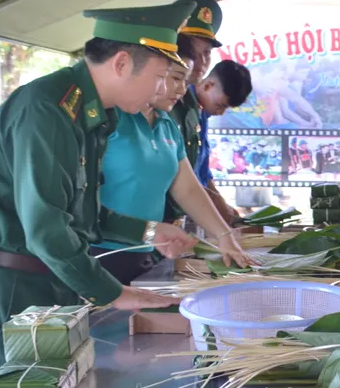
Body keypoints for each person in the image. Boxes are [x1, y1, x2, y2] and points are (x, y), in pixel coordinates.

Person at [0, 3, 199, 388]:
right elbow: (47, 231)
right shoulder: (47, 110)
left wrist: (150, 229)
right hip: (9, 288)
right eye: (158, 75)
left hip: (49, 283)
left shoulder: (91, 115)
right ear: (120, 64)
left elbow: (82, 216)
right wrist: (114, 293)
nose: (162, 90)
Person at [92, 49, 252, 284]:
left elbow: (187, 188)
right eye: (175, 78)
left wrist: (224, 236)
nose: (181, 89)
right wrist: (149, 232)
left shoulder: (167, 125)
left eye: (185, 81)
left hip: (146, 254)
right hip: (100, 255)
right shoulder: (108, 116)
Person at [164, 0, 252, 227]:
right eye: (197, 52)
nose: (202, 62)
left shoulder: (192, 109)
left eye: (207, 54)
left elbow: (196, 176)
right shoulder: (155, 105)